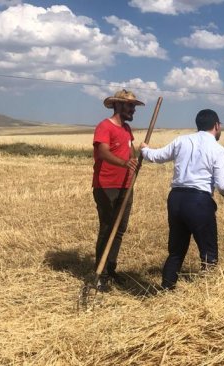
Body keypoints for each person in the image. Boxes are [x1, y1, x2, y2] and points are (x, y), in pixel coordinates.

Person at [140, 109, 224, 290]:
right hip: (199, 201)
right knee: (208, 251)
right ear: (217, 126)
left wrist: (144, 150)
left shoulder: (182, 140)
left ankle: (166, 287)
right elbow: (223, 186)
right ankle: (209, 290)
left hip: (176, 199)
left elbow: (158, 156)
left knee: (176, 249)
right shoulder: (218, 150)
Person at [92, 89, 144, 292]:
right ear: (117, 105)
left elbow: (130, 149)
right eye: (129, 105)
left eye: (133, 106)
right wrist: (124, 163)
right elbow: (103, 152)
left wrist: (135, 159)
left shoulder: (127, 128)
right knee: (107, 229)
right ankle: (100, 274)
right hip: (106, 185)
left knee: (119, 229)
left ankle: (111, 269)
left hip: (126, 185)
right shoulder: (104, 127)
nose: (133, 109)